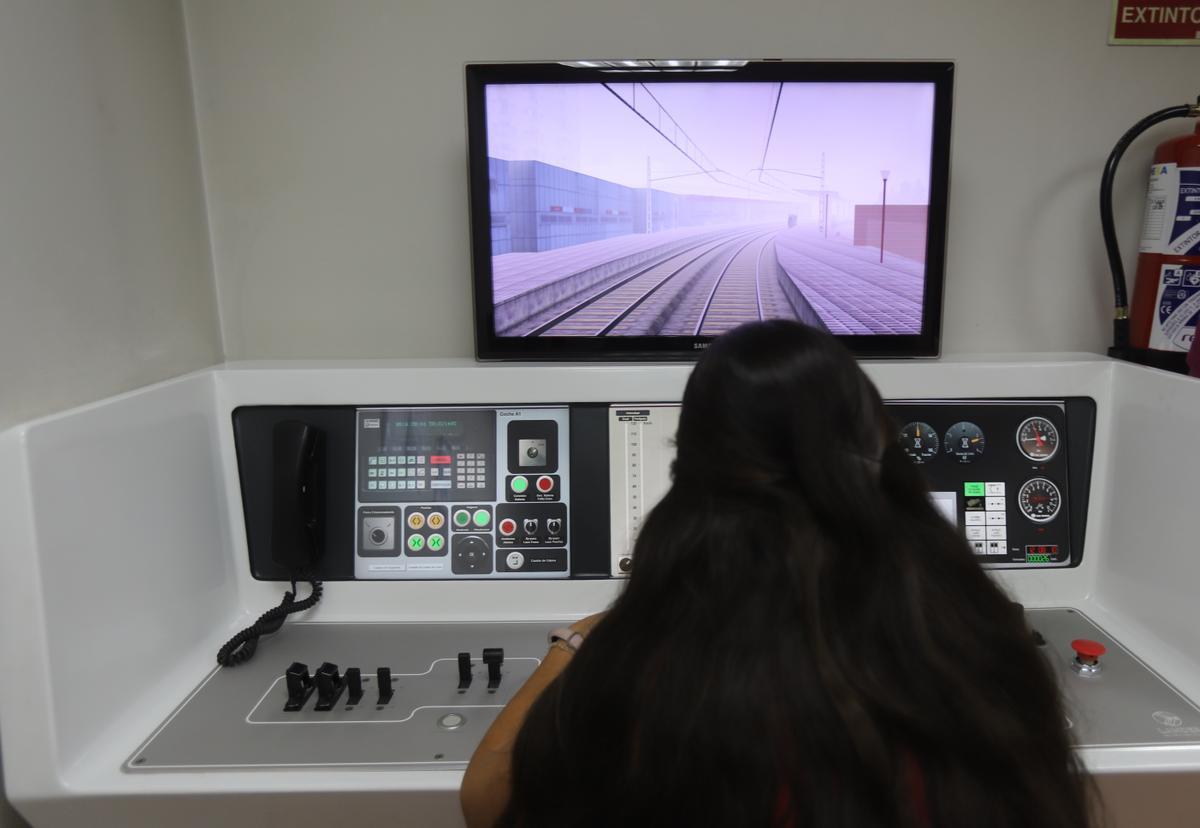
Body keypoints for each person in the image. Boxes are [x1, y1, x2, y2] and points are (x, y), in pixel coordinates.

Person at [461, 320, 1095, 828]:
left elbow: (486, 800)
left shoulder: (637, 672)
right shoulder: (974, 644)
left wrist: (573, 646)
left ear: (692, 469)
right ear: (879, 449)